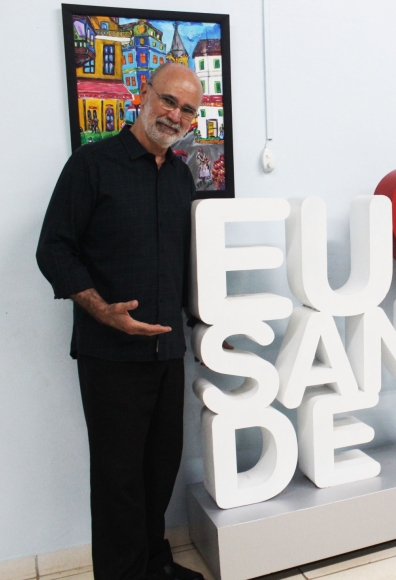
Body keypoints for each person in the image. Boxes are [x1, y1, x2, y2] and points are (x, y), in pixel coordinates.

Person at [37, 62, 205, 580]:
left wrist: (204, 324)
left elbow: (186, 263)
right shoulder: (91, 165)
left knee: (160, 469)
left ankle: (154, 565)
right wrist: (102, 310)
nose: (175, 115)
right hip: (110, 354)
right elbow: (54, 249)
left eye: (187, 110)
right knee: (118, 480)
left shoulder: (181, 176)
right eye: (168, 100)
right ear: (143, 93)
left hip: (167, 351)